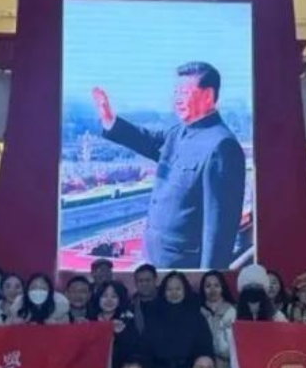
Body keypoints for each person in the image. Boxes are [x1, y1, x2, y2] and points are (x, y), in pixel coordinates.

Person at [93, 62, 246, 269]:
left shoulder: (221, 146)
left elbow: (219, 229)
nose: (177, 99)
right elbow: (147, 140)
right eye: (176, 92)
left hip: (182, 268)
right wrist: (109, 120)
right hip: (152, 260)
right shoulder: (178, 132)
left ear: (208, 96)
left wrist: (207, 278)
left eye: (184, 92)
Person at [144, 272, 214, 368]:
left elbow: (205, 349)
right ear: (163, 292)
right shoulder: (153, 315)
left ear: (185, 291)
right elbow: (145, 348)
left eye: (178, 289)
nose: (174, 293)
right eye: (169, 289)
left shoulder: (196, 317)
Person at [90, 282, 143, 368]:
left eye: (114, 296)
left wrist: (121, 335)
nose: (109, 300)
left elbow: (133, 351)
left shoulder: (128, 321)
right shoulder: (91, 320)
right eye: (104, 296)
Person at [199, 271, 237, 368]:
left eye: (216, 285)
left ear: (222, 287)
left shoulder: (233, 311)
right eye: (208, 286)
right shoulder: (197, 311)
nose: (212, 290)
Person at [131, 264, 160, 334]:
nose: (144, 284)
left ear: (156, 280)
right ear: (135, 283)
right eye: (140, 281)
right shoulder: (129, 305)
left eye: (148, 280)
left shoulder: (167, 302)